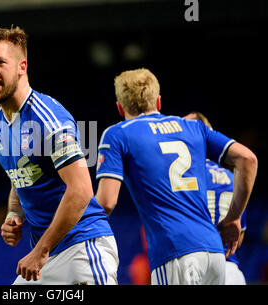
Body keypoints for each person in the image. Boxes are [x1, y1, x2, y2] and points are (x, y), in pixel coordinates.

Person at [0, 26, 118, 285]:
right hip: (49, 255)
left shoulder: (49, 117)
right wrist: (14, 215)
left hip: (83, 248)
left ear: (22, 67)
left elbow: (80, 190)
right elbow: (19, 177)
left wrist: (40, 251)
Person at [95, 68, 257, 285]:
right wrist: (234, 217)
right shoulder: (194, 127)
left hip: (175, 252)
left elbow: (106, 201)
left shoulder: (118, 133)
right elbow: (248, 160)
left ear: (120, 107)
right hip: (215, 254)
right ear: (158, 102)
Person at [185, 111, 248, 284]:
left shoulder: (186, 177)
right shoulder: (233, 178)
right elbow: (239, 237)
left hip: (197, 269)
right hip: (231, 271)